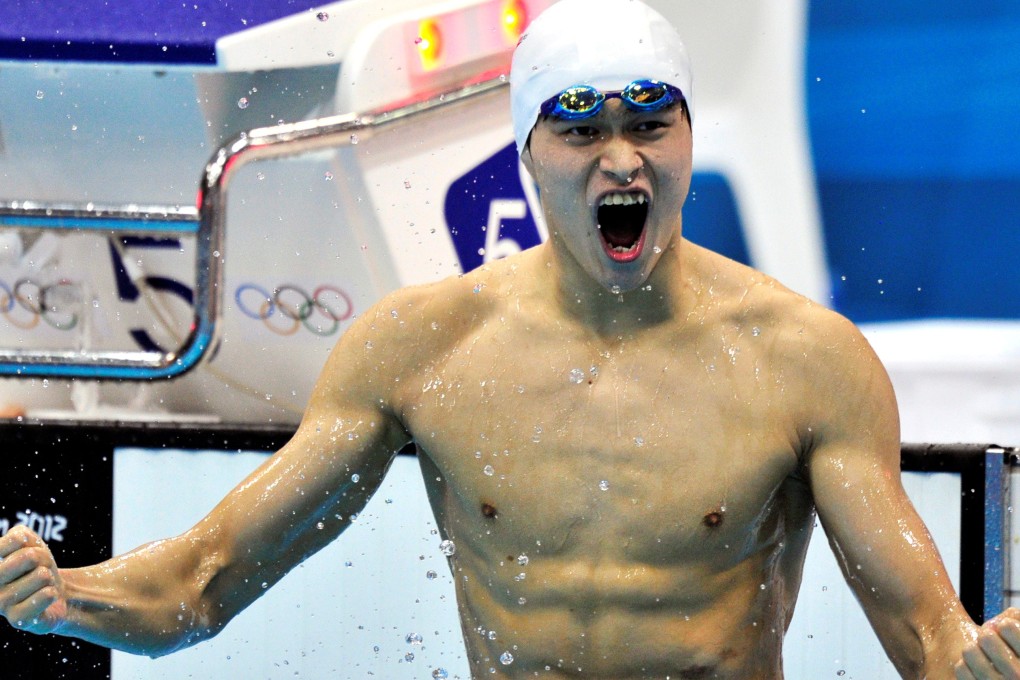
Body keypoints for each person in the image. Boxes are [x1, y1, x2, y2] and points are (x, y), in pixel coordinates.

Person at [1, 0, 1018, 677]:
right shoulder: (423, 349)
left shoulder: (804, 362)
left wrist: (976, 661)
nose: (621, 158)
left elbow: (929, 638)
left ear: (688, 140)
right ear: (530, 154)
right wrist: (66, 596)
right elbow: (205, 578)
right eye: (582, 131)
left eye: (649, 123)